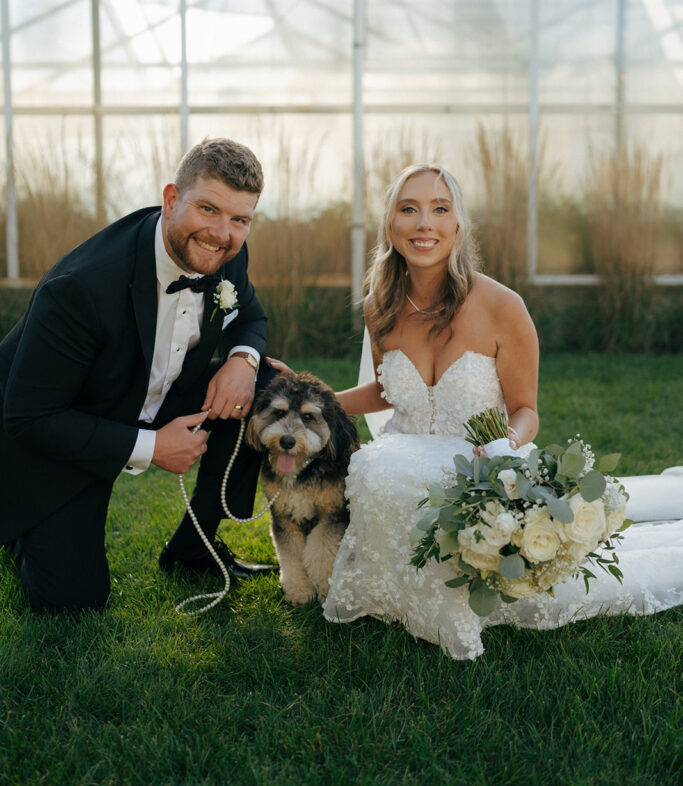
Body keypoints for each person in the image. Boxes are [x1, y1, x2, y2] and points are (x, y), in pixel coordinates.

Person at [322, 164, 683, 660]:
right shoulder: (378, 304)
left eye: (440, 210)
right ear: (391, 225)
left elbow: (526, 410)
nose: (425, 223)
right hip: (400, 458)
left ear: (459, 225)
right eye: (409, 210)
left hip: (480, 465)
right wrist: (313, 399)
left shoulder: (502, 306)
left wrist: (506, 443)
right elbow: (389, 391)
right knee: (381, 472)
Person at [0, 136, 278, 614]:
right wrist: (152, 448)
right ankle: (27, 533)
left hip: (152, 394)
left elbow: (250, 318)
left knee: (270, 386)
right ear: (171, 199)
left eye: (239, 219)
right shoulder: (80, 288)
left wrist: (243, 362)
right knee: (74, 601)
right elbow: (29, 416)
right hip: (61, 431)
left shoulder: (229, 255)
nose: (221, 233)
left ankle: (194, 551)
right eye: (208, 209)